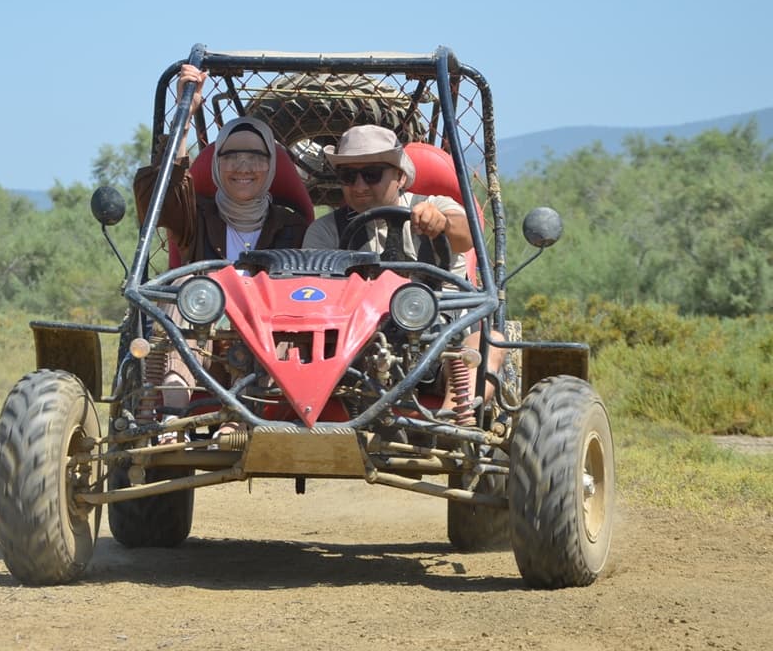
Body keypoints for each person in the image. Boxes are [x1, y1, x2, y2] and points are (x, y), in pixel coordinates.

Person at [134, 64, 307, 438]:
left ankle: (238, 417)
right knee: (185, 292)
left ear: (271, 166)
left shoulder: (292, 225)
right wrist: (184, 117)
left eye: (256, 157)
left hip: (267, 337)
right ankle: (171, 419)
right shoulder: (196, 214)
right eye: (230, 156)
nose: (243, 167)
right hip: (198, 329)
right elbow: (163, 199)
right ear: (215, 164)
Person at [303, 124, 504, 414]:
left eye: (371, 175)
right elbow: (313, 293)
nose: (359, 186)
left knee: (491, 343)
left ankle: (450, 424)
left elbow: (467, 236)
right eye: (348, 176)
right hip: (357, 352)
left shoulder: (434, 206)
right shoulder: (325, 232)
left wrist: (442, 224)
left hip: (441, 345)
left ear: (399, 175)